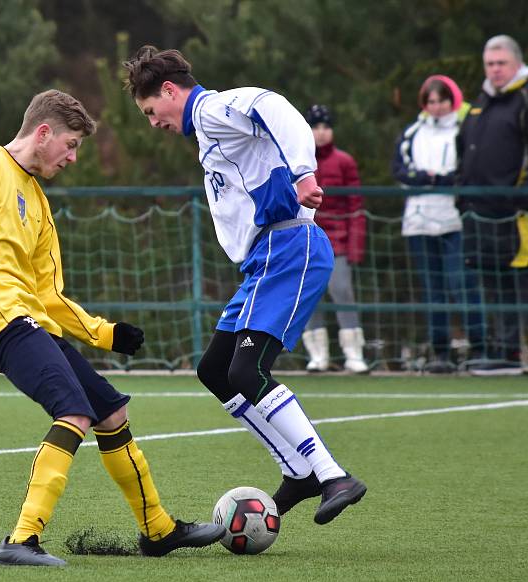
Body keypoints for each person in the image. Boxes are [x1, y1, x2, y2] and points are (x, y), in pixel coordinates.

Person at [0, 89, 225, 567]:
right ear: (44, 132)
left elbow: (50, 294)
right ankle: (20, 542)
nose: (73, 158)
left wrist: (105, 333)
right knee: (73, 413)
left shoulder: (38, 202)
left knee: (110, 413)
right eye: (71, 145)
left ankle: (157, 530)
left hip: (32, 323)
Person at [123, 46, 366, 524]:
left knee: (245, 371)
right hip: (264, 259)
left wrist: (303, 173)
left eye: (151, 111)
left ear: (171, 91)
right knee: (215, 369)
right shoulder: (208, 131)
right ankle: (297, 471)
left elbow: (277, 108)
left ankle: (330, 473)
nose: (152, 123)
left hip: (288, 247)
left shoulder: (213, 109)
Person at [456, 35, 528, 376]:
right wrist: (464, 198)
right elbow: (465, 153)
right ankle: (506, 353)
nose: (495, 70)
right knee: (495, 279)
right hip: (482, 211)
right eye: (490, 64)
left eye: (501, 63)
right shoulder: (481, 104)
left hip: (523, 212)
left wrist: (526, 198)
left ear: (517, 63)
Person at [391, 75, 486, 373]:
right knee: (433, 290)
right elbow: (400, 169)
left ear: (452, 101)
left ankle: (480, 348)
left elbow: (467, 169)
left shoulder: (465, 129)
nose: (436, 107)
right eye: (430, 101)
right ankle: (440, 352)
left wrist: (441, 180)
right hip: (418, 221)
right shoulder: (412, 132)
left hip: (455, 219)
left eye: (442, 100)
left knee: (463, 285)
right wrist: (428, 179)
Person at [300, 105, 370, 374]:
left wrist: (356, 245)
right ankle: (318, 354)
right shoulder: (299, 159)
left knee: (342, 291)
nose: (320, 132)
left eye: (325, 126)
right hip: (305, 239)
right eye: (315, 127)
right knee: (309, 294)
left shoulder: (345, 161)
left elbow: (355, 206)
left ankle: (354, 352)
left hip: (338, 240)